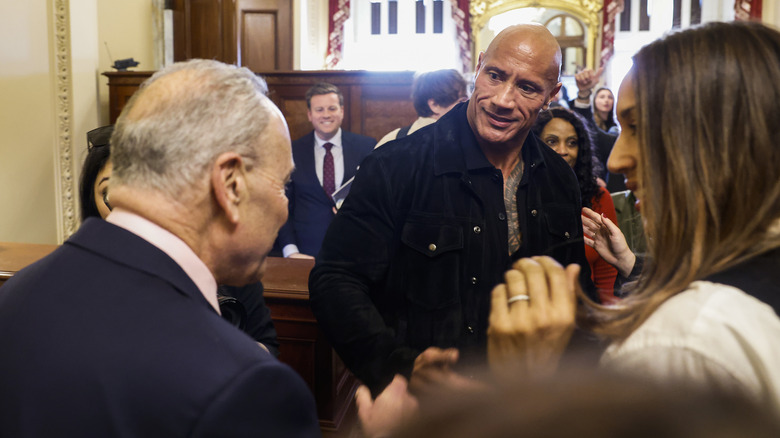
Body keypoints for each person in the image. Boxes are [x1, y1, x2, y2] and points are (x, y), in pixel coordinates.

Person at [0, 59, 319, 436]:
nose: (285, 208)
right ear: (230, 185)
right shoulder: (243, 386)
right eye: (282, 185)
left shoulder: (16, 295)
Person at [490, 21, 780, 413]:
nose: (616, 160)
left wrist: (524, 380)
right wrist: (631, 263)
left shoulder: (684, 339)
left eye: (640, 128)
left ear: (722, 140)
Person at [310, 23, 596, 396]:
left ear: (551, 96)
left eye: (526, 87)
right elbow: (335, 280)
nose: (502, 100)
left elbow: (574, 293)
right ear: (478, 67)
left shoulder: (558, 178)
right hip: (420, 409)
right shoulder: (396, 165)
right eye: (495, 75)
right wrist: (397, 365)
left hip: (525, 405)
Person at [79, 125, 282, 357]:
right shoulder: (84, 271)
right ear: (92, 200)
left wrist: (222, 346)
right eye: (111, 192)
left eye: (143, 188)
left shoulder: (229, 259)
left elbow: (267, 346)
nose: (131, 203)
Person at [276, 82, 376, 259]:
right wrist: (291, 252)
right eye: (319, 110)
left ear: (342, 111)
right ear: (309, 114)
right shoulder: (292, 151)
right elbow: (281, 205)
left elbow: (377, 201)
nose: (326, 115)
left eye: (332, 108)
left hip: (356, 252)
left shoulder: (366, 147)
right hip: (305, 256)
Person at [533, 108, 618, 302]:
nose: (563, 151)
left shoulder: (599, 197)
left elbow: (607, 272)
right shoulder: (519, 195)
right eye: (552, 141)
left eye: (572, 143)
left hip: (587, 311)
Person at [376, 69, 468, 147]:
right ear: (434, 105)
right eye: (461, 102)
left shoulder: (391, 139)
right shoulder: (454, 141)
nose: (466, 107)